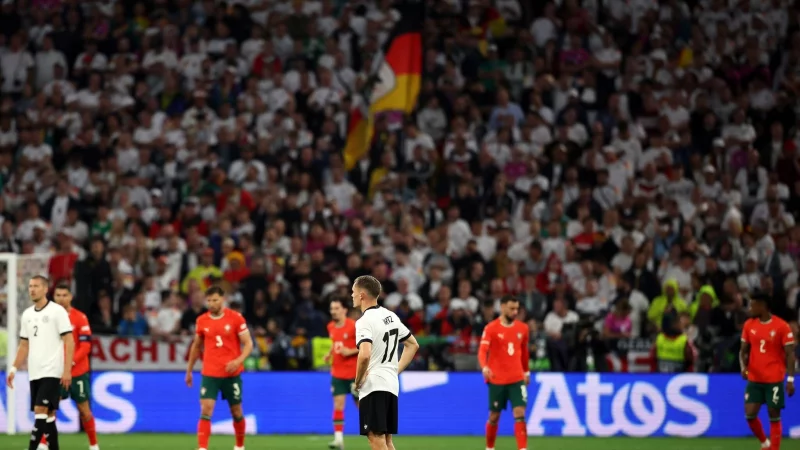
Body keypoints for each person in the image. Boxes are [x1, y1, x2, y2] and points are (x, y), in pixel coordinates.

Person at [352, 275, 420, 450]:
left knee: (376, 439)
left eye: (353, 292)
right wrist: (394, 370)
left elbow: (364, 355)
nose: (351, 295)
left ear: (361, 295)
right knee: (387, 440)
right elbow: (413, 345)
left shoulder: (364, 321)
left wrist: (358, 380)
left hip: (373, 385)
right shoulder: (391, 316)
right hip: (390, 384)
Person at [6, 276, 74, 450]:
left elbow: (69, 340)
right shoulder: (27, 314)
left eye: (36, 286)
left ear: (45, 289)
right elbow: (24, 344)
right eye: (30, 286)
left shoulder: (57, 311)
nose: (32, 289)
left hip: (52, 371)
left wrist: (67, 371)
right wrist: (13, 368)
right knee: (49, 415)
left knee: (40, 410)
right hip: (35, 371)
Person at [185, 285, 254, 450]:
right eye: (208, 300)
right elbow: (196, 346)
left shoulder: (236, 318)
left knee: (236, 411)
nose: (211, 304)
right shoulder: (201, 320)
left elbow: (249, 344)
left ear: (222, 299)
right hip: (210, 373)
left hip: (232, 373)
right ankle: (202, 448)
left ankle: (239, 446)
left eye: (215, 300)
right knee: (206, 409)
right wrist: (189, 371)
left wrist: (238, 361)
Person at [38, 282, 99, 450]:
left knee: (84, 410)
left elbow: (86, 346)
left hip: (77, 371)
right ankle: (43, 445)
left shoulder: (80, 317)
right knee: (50, 408)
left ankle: (94, 445)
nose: (61, 299)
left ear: (70, 297)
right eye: (58, 295)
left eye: (64, 295)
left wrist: (70, 362)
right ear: (53, 297)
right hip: (56, 372)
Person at [740, 295, 796, 450]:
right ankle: (765, 442)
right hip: (754, 379)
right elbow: (743, 350)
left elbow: (790, 354)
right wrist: (743, 367)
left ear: (762, 306)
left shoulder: (782, 326)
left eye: (752, 305)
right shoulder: (749, 325)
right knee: (750, 415)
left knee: (774, 415)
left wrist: (790, 379)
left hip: (774, 380)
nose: (750, 308)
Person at [478, 295, 530, 450]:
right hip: (497, 379)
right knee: (494, 416)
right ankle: (489, 447)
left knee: (519, 412)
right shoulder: (491, 328)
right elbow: (482, 350)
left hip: (517, 378)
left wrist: (526, 371)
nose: (515, 312)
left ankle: (522, 449)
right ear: (502, 307)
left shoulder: (523, 328)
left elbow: (524, 352)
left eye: (517, 309)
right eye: (512, 308)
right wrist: (484, 366)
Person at [324, 298, 359, 450]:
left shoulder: (354, 326)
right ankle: (338, 440)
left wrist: (350, 351)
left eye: (337, 308)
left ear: (344, 310)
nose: (333, 311)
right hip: (337, 373)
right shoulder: (330, 326)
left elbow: (366, 346)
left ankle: (376, 434)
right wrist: (329, 353)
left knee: (361, 406)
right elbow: (335, 344)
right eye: (332, 308)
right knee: (338, 405)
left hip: (354, 374)